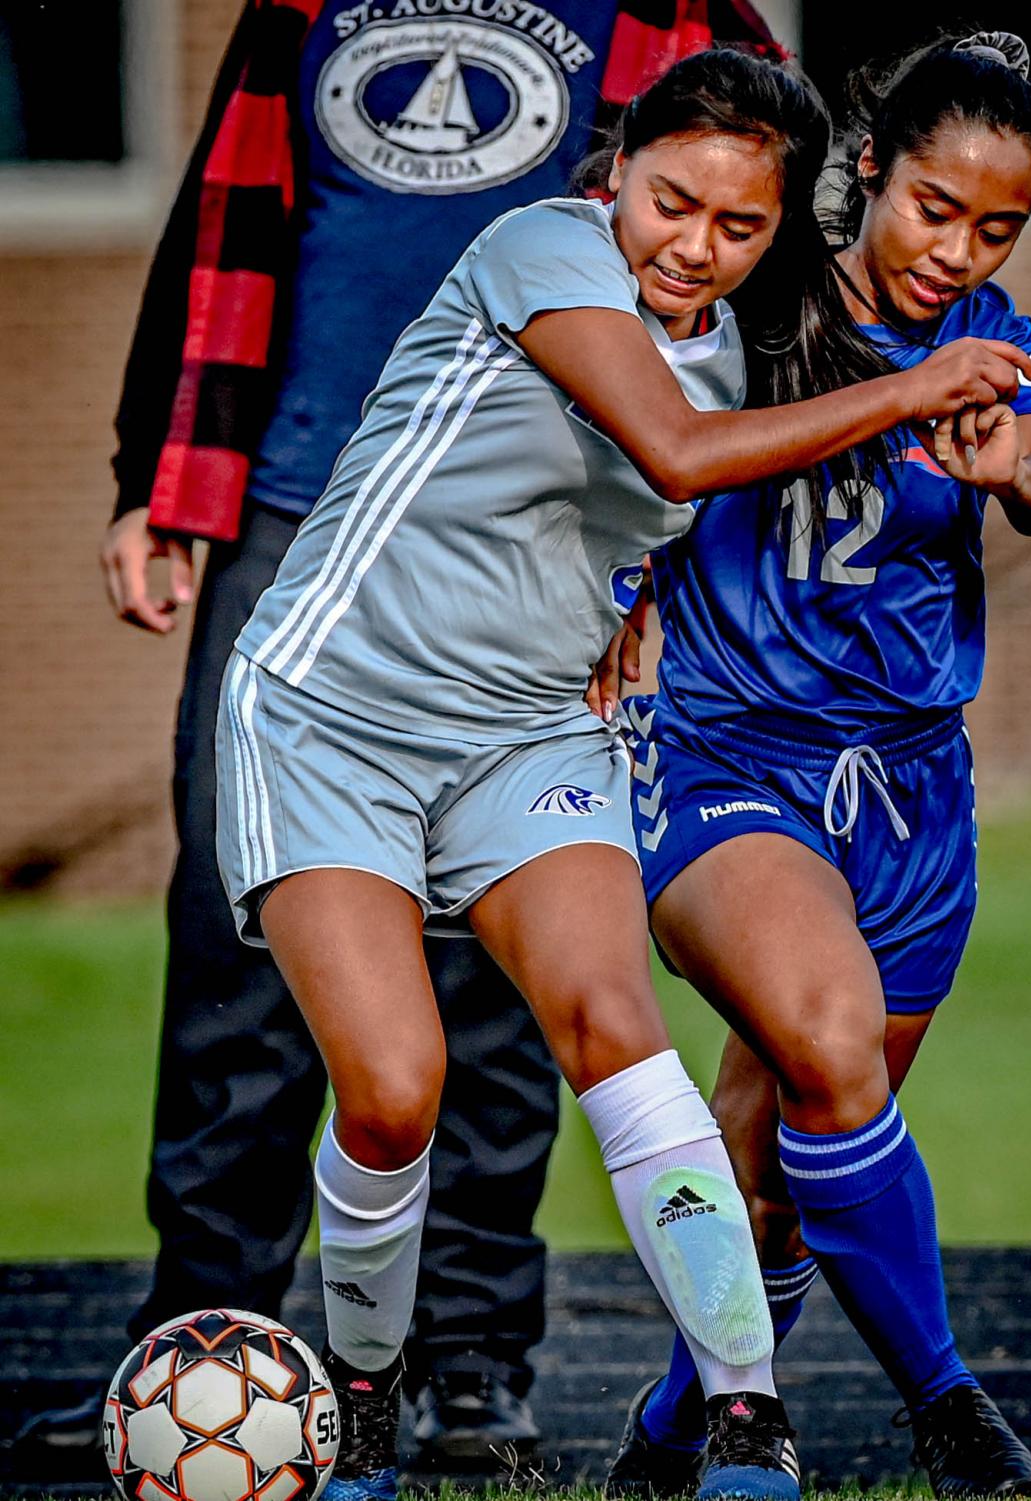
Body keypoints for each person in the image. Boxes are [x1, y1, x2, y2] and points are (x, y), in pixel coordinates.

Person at [213, 38, 1031, 1500]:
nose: (695, 247)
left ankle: (738, 1414)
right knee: (398, 1085)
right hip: (335, 716)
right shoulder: (542, 247)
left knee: (620, 1031)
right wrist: (911, 395)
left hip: (526, 727)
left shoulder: (734, 336)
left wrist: (632, 595)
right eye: (674, 204)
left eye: (740, 227)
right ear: (620, 175)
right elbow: (668, 452)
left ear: (780, 232)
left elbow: (638, 503)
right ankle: (361, 1393)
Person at [4, 0, 786, 1477]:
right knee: (244, 951)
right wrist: (156, 476)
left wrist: (648, 570)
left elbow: (751, 264)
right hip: (306, 497)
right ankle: (207, 1339)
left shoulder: (672, 13)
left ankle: (474, 1362)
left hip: (530, 548)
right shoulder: (309, 2)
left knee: (513, 987)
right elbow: (222, 222)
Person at [601, 30, 1031, 1499]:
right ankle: (950, 1407)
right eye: (938, 208)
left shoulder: (997, 334)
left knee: (790, 1149)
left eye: (996, 228)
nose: (959, 251)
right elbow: (647, 442)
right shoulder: (763, 299)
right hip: (733, 756)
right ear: (871, 167)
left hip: (916, 799)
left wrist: (1017, 465)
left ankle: (689, 1417)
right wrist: (615, 599)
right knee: (828, 1041)